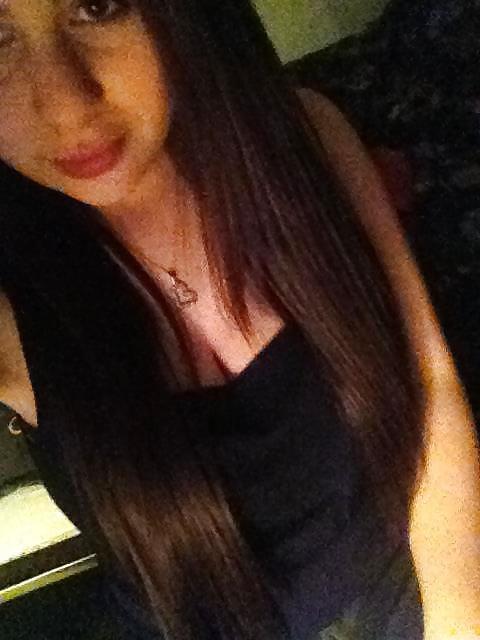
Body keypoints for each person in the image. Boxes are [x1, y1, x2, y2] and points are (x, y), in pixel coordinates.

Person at [0, 1, 479, 639]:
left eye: (98, 6)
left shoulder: (302, 136)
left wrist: (458, 624)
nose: (64, 105)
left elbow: (431, 385)